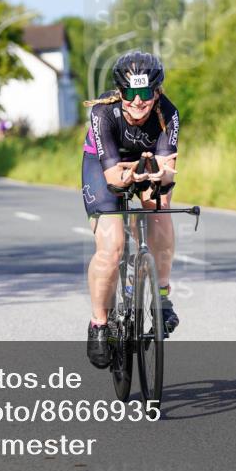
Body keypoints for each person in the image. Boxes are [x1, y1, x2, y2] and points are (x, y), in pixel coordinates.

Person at [80, 51, 180, 369]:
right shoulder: (102, 113)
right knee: (112, 248)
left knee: (160, 208)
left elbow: (168, 168)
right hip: (102, 166)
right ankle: (99, 323)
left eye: (145, 93)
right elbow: (112, 177)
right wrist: (130, 175)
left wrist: (157, 176)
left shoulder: (167, 112)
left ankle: (162, 297)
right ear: (120, 92)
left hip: (144, 163)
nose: (138, 102)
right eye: (130, 93)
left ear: (157, 92)